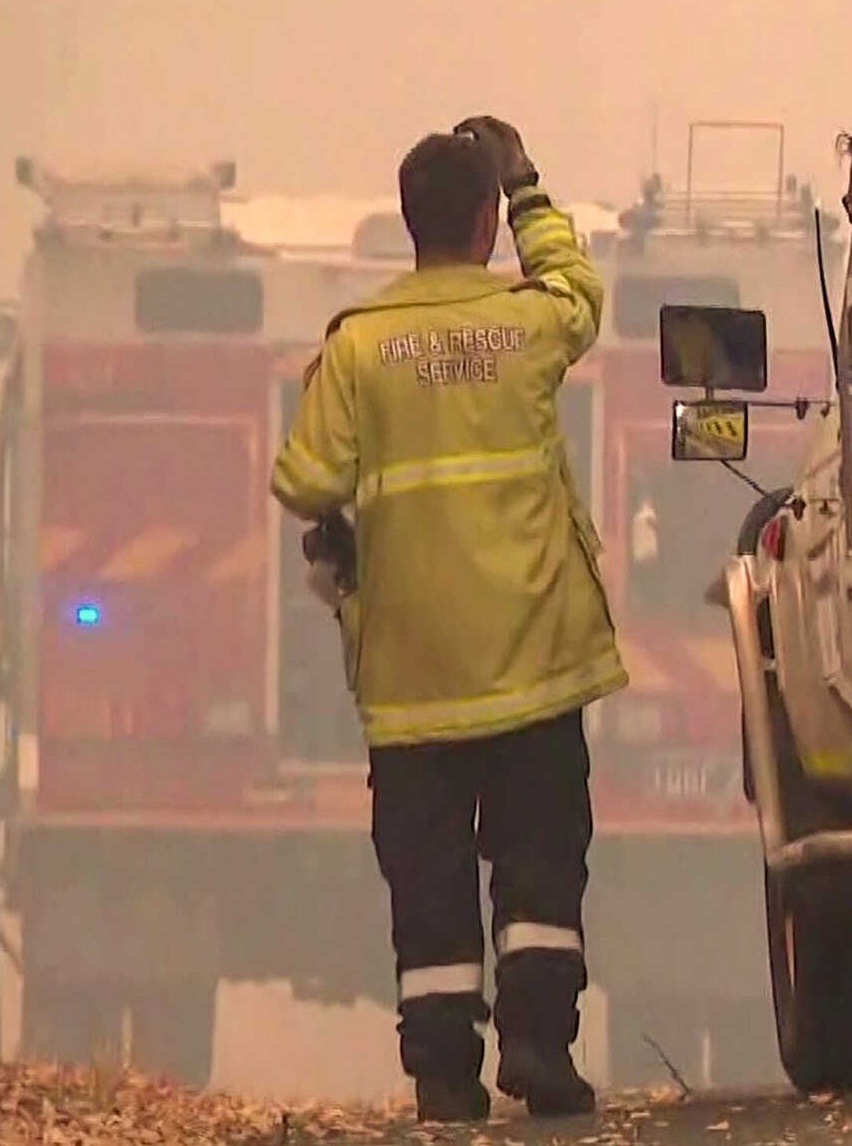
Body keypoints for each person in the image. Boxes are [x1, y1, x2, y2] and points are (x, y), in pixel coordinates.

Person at [271, 116, 627, 1124]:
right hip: (534, 661)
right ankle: (539, 1048)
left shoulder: (357, 345)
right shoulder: (528, 322)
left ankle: (443, 1077)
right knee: (540, 864)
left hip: (412, 676)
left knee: (427, 881)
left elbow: (304, 478)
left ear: (408, 222)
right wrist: (530, 189)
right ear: (484, 224)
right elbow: (579, 289)